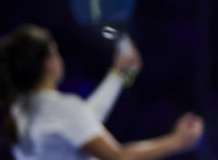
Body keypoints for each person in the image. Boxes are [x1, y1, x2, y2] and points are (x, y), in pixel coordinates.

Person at [0, 24, 204, 160]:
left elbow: (83, 121)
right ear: (48, 64)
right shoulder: (63, 110)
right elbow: (118, 157)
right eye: (55, 52)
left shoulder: (18, 110)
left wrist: (117, 75)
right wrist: (177, 141)